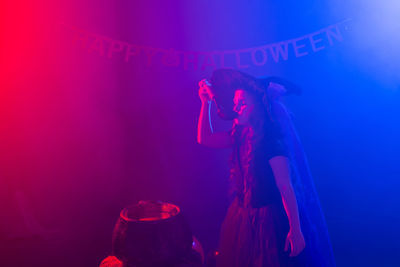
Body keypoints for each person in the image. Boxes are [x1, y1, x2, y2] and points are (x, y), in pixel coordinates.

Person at [197, 69, 335, 267]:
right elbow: (205, 138)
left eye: (243, 103)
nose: (237, 109)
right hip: (244, 217)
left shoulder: (271, 140)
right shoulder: (240, 136)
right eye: (236, 104)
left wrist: (295, 230)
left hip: (269, 220)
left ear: (259, 107)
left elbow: (285, 186)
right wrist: (206, 103)